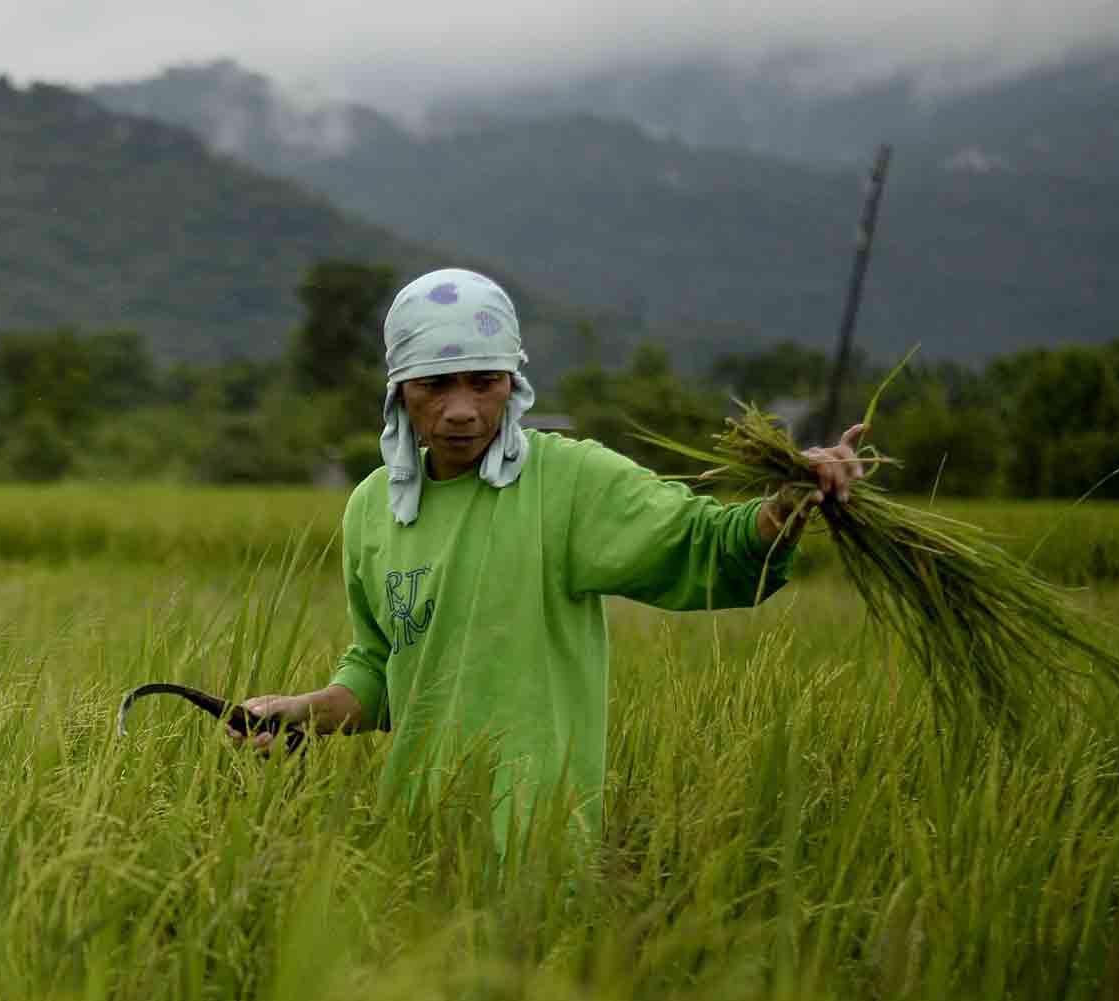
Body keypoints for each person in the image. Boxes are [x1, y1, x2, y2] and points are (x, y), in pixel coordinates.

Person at [234, 268, 866, 838]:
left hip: (541, 841)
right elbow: (386, 668)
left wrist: (783, 507)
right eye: (434, 385)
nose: (461, 410)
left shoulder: (567, 483)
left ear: (513, 384)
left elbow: (701, 541)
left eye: (484, 383)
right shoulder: (375, 507)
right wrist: (305, 712)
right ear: (400, 391)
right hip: (416, 839)